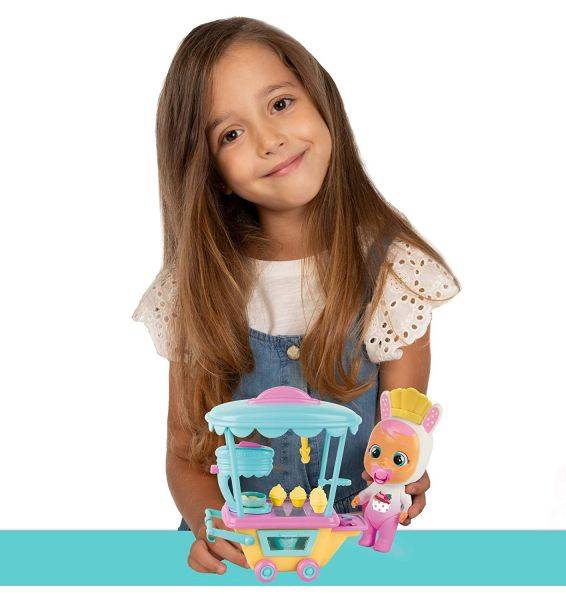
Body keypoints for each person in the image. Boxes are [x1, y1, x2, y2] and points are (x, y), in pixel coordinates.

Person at [132, 17, 461, 575]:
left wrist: (404, 478)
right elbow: (185, 455)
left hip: (345, 553)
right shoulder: (195, 288)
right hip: (239, 558)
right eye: (230, 134)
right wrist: (216, 531)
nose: (270, 141)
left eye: (280, 104)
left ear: (320, 99)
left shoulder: (395, 273)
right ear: (210, 169)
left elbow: (399, 433)